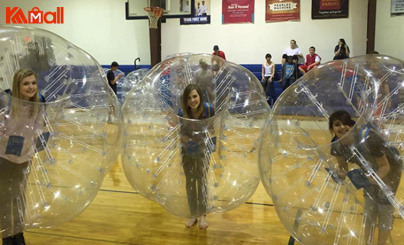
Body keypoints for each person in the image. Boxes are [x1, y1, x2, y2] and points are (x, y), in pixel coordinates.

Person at [329, 110, 402, 245]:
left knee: (383, 207)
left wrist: (375, 179)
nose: (342, 127)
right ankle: (368, 243)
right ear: (332, 129)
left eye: (346, 124)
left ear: (352, 125)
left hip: (390, 168)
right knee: (369, 209)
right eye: (337, 124)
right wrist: (339, 173)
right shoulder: (336, 146)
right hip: (369, 171)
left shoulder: (369, 139)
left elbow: (385, 166)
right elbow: (343, 167)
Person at [0, 69, 47, 245]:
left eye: (33, 83)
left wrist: (36, 142)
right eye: (26, 83)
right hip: (4, 158)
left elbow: (38, 128)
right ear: (17, 86)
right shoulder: (7, 104)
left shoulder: (38, 103)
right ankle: (6, 236)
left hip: (24, 158)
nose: (31, 87)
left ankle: (18, 233)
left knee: (19, 198)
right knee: (5, 198)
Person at [178, 84, 215, 229]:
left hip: (203, 149)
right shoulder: (182, 112)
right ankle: (193, 213)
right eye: (189, 98)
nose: (193, 100)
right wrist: (186, 140)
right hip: (187, 150)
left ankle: (202, 215)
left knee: (202, 181)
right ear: (185, 100)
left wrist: (207, 137)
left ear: (200, 96)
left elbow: (213, 128)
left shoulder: (209, 109)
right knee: (190, 181)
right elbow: (180, 133)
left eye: (195, 96)